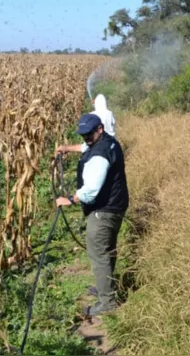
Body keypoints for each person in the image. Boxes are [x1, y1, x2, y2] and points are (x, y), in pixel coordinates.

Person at [55, 113, 129, 317]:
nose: (86, 138)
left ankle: (107, 302)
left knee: (98, 253)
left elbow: (91, 190)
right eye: (83, 135)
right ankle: (106, 286)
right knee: (108, 248)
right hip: (116, 204)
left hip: (104, 209)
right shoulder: (107, 142)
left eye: (89, 134)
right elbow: (87, 147)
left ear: (99, 129)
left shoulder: (100, 156)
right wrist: (67, 148)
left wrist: (69, 200)